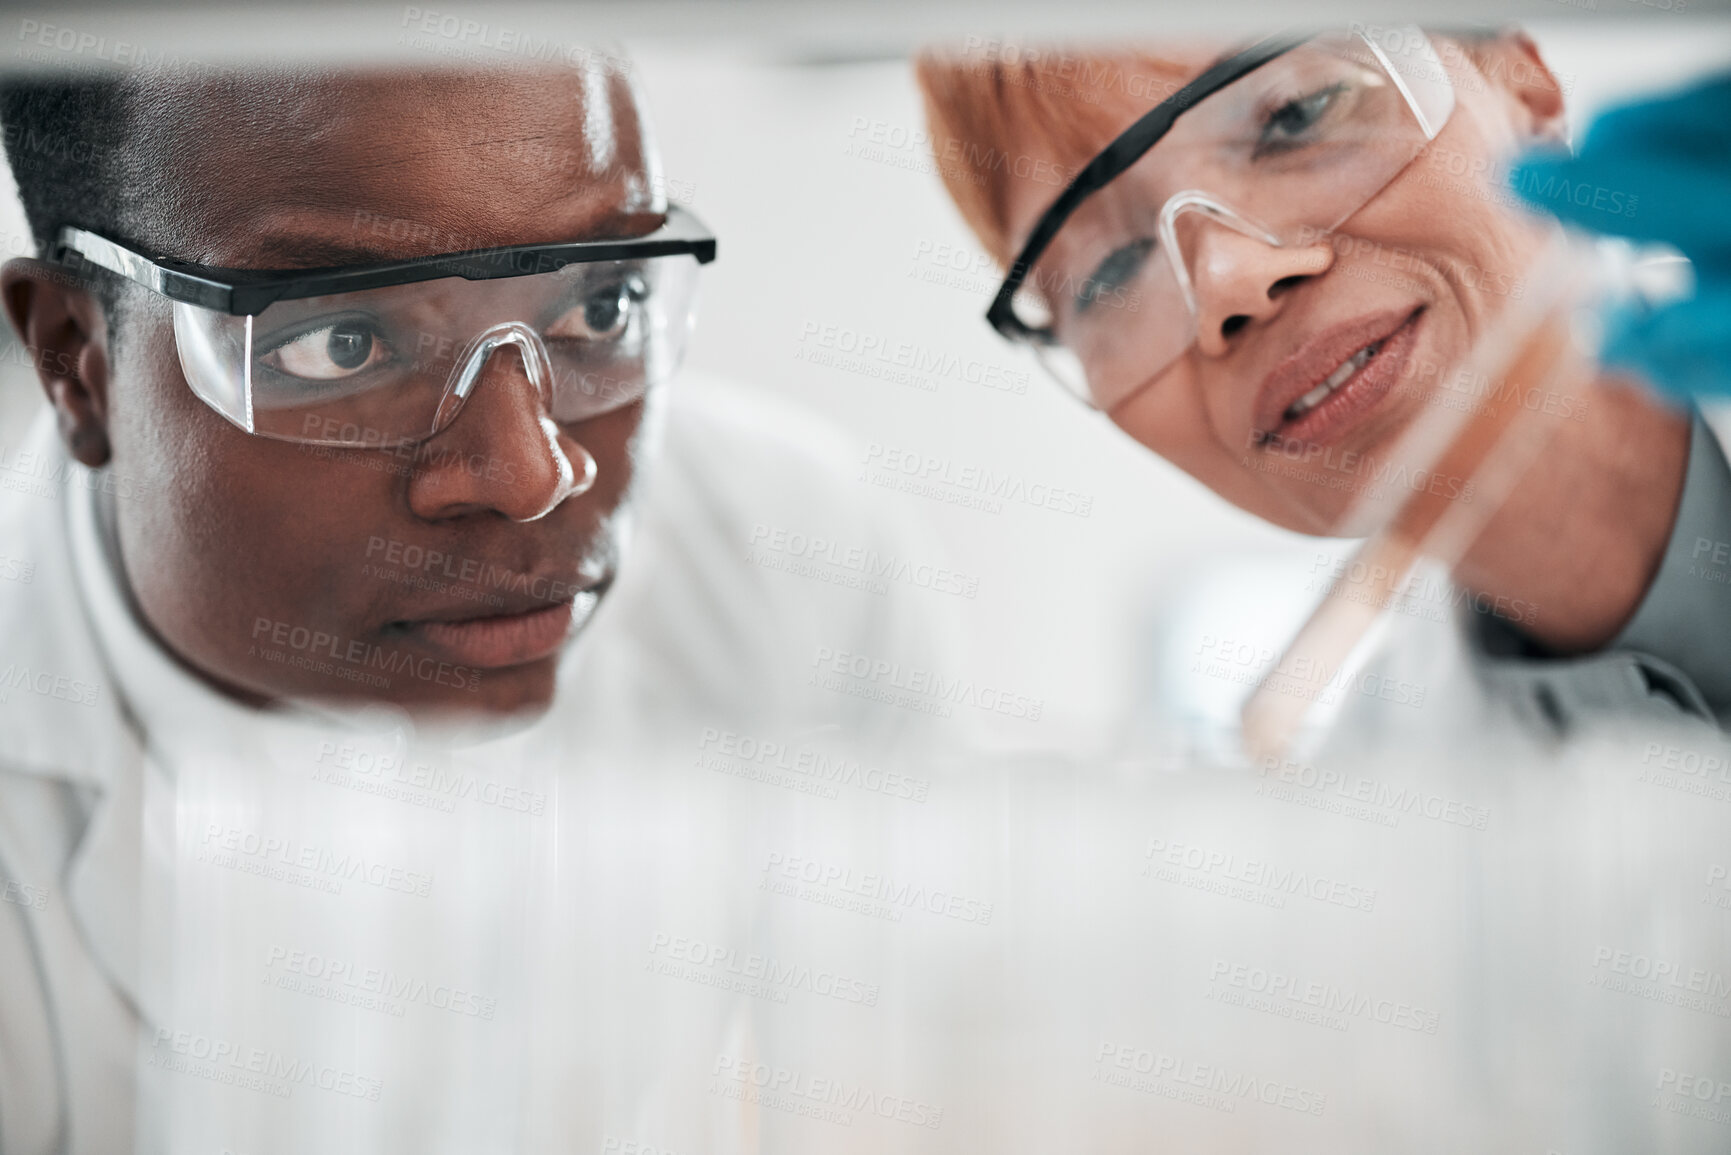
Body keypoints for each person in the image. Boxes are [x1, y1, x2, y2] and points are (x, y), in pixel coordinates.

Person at [0, 57, 940, 1152]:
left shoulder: (795, 563)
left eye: (603, 302)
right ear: (77, 361)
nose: (530, 474)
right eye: (343, 339)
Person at [914, 24, 1731, 737]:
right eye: (1109, 271)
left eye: (1297, 115)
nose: (1229, 281)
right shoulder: (1381, 806)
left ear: (1518, 76)